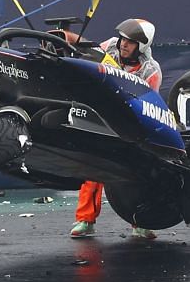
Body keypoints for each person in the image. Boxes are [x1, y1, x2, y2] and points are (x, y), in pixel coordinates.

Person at [71, 19, 165, 241]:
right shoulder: (110, 45)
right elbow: (88, 51)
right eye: (123, 38)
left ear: (141, 46)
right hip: (102, 116)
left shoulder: (151, 71)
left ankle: (140, 223)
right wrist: (67, 35)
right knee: (93, 167)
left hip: (132, 123)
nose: (124, 44)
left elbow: (148, 106)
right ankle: (85, 220)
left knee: (137, 174)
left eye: (131, 42)